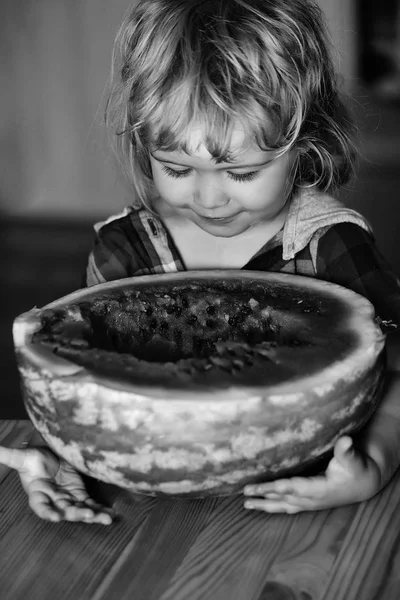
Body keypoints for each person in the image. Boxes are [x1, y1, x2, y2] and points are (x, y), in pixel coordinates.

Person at [2, 0, 400, 524]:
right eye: (176, 167)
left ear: (304, 144)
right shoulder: (124, 251)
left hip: (298, 515)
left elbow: (393, 368)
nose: (210, 199)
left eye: (239, 173)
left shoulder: (331, 246)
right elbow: (91, 395)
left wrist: (375, 463)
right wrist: (61, 464)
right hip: (149, 521)